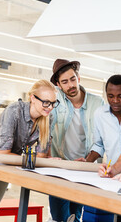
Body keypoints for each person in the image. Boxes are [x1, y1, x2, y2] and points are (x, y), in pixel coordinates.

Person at [0, 79, 59, 222]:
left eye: (54, 103)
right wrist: (28, 158)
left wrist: (7, 156)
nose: (50, 107)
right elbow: (9, 152)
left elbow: (41, 155)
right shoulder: (14, 110)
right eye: (46, 102)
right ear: (32, 98)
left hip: (7, 163)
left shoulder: (48, 118)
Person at [49, 59, 104, 222]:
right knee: (60, 217)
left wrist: (88, 161)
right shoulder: (54, 102)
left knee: (76, 214)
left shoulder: (97, 103)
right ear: (58, 85)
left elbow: (101, 140)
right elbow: (46, 133)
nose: (70, 85)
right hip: (60, 168)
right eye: (65, 82)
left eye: (73, 79)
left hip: (85, 168)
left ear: (78, 78)